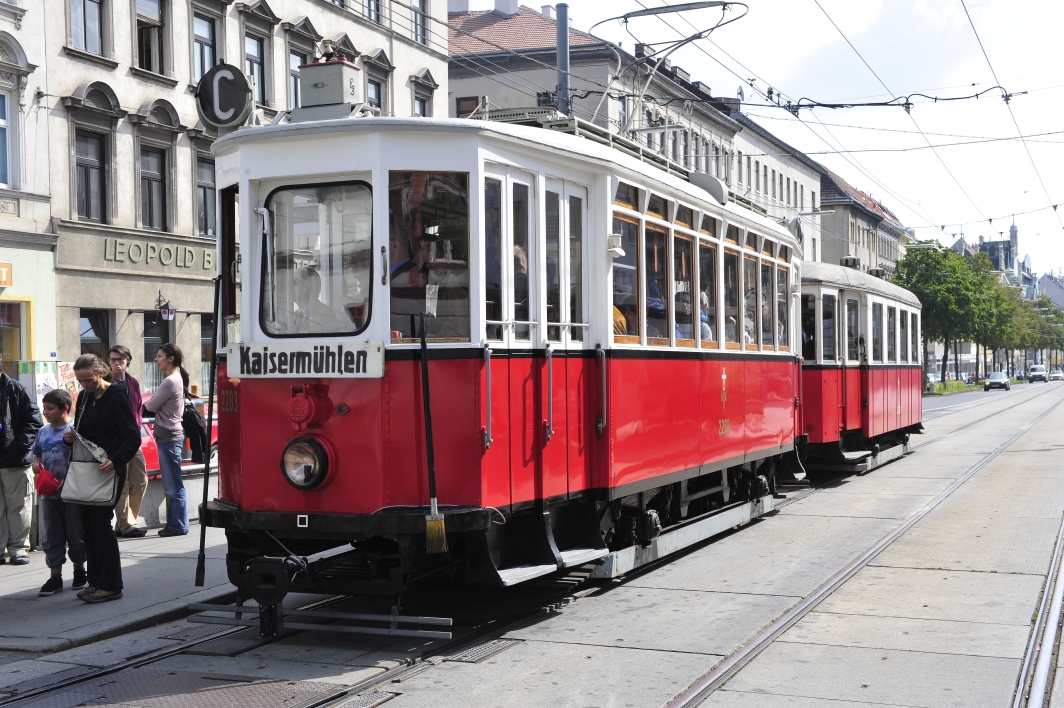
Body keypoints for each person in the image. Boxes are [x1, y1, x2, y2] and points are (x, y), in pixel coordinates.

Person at [66, 354, 140, 603]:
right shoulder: (86, 397)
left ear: (101, 372)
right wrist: (71, 437)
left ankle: (110, 585)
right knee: (87, 527)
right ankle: (95, 581)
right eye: (80, 381)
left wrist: (116, 460)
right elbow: (82, 430)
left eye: (88, 379)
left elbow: (132, 437)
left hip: (109, 469)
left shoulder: (117, 395)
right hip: (89, 469)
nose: (84, 385)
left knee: (100, 525)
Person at [32, 388, 86, 595]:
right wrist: (37, 465)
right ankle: (55, 576)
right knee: (52, 535)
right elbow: (37, 454)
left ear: (64, 409)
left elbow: (82, 460)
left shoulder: (74, 430)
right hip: (48, 493)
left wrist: (69, 480)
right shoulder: (43, 432)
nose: (46, 412)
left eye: (50, 408)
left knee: (75, 533)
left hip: (71, 493)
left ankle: (80, 570)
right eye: (44, 408)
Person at [0, 354, 43, 565]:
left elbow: (34, 421)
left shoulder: (16, 389)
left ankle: (18, 549)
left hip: (14, 461)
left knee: (18, 507)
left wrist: (17, 449)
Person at [144, 343, 188, 537]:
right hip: (172, 435)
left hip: (169, 436)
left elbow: (151, 406)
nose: (156, 359)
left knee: (172, 484)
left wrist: (147, 403)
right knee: (174, 482)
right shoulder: (177, 378)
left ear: (170, 358)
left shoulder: (170, 381)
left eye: (159, 355)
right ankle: (176, 523)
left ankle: (178, 525)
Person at [107, 346, 147, 538]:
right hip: (115, 441)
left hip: (133, 439)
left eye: (120, 359)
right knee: (121, 483)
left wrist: (137, 430)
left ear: (128, 360)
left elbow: (138, 408)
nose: (116, 363)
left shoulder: (133, 382)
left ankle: (125, 522)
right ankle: (127, 524)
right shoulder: (106, 382)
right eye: (113, 360)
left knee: (140, 480)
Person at [291, 267, 342, 334]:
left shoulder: (326, 313)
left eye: (295, 282)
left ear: (310, 285)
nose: (291, 286)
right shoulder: (294, 315)